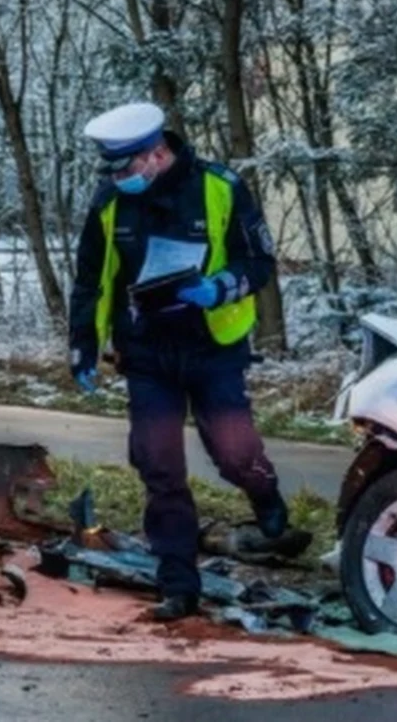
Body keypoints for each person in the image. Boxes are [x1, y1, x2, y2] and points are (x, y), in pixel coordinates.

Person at [66, 101, 297, 621]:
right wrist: (83, 344)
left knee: (234, 452)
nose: (118, 178)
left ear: (156, 154)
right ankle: (178, 585)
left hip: (212, 346)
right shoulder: (111, 203)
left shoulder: (220, 187)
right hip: (146, 351)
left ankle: (264, 494)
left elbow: (259, 261)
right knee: (158, 463)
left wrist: (219, 288)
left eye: (125, 168)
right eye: (113, 170)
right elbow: (92, 281)